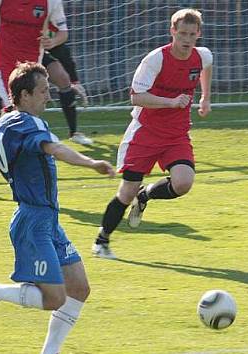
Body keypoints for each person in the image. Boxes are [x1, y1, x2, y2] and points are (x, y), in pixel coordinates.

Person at [0, 62, 115, 354]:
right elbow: (55, 149)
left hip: (46, 220)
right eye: (43, 91)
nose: (48, 96)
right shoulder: (28, 124)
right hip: (33, 221)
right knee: (53, 298)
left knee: (79, 289)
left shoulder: (4, 123)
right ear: (24, 95)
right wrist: (91, 163)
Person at [91, 8, 213, 259]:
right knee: (125, 192)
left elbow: (206, 68)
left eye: (192, 34)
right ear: (172, 32)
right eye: (182, 34)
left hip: (176, 135)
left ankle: (145, 194)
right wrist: (170, 102)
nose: (186, 39)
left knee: (183, 183)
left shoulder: (202, 56)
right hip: (144, 134)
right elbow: (136, 97)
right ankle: (102, 240)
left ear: (198, 33)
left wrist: (205, 98)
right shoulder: (155, 59)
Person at [0, 0, 90, 197]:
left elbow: (62, 32)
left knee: (13, 122)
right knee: (19, 118)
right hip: (1, 61)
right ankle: (33, 168)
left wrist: (53, 41)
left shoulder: (51, 2)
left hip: (32, 65)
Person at [0, 39, 93, 145]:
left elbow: (60, 47)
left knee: (63, 78)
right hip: (8, 55)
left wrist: (74, 81)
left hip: (33, 52)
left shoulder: (41, 21)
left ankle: (74, 133)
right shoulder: (1, 26)